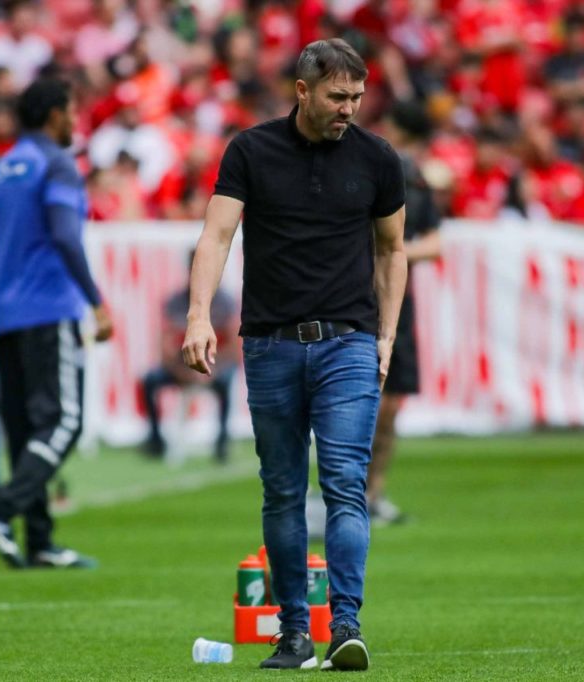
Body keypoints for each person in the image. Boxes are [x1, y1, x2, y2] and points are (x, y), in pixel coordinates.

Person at [182, 38, 406, 672]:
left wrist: (385, 337)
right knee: (281, 492)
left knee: (344, 487)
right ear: (302, 91)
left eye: (358, 98)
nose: (349, 109)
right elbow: (217, 233)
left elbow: (393, 250)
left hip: (349, 345)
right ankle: (292, 633)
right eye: (338, 97)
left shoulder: (379, 159)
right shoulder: (250, 151)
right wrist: (199, 315)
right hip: (271, 345)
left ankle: (345, 626)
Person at [0, 78, 114, 569]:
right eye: (72, 110)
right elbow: (65, 236)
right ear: (54, 114)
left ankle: (41, 542)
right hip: (49, 311)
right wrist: (95, 302)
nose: (76, 121)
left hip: (6, 317)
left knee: (27, 429)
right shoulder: (57, 165)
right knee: (63, 422)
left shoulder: (0, 170)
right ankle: (0, 512)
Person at [368, 101, 441, 525]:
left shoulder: (414, 180)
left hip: (397, 302)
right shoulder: (358, 173)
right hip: (355, 302)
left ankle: (374, 493)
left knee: (390, 405)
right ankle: (340, 495)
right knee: (353, 403)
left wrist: (394, 252)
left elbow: (435, 243)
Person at [140, 255, 237, 462]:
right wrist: (186, 372)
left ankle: (222, 442)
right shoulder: (175, 302)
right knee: (149, 380)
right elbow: (165, 348)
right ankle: (155, 439)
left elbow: (234, 350)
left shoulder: (226, 303)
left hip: (213, 366)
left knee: (227, 380)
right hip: (182, 366)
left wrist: (210, 370)